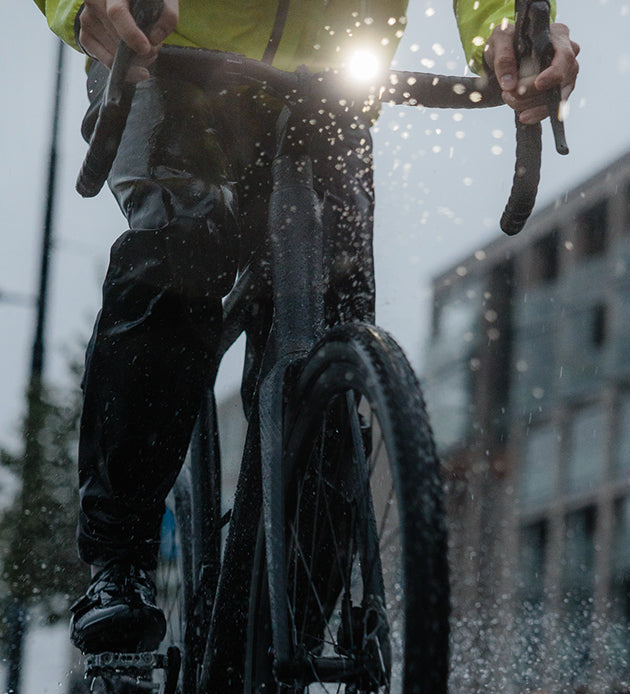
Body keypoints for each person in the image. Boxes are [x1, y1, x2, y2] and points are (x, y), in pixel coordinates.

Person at [34, 0, 579, 654]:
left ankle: (285, 683)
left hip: (333, 88)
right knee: (180, 250)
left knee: (332, 362)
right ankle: (118, 562)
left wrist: (509, 28)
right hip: (170, 56)